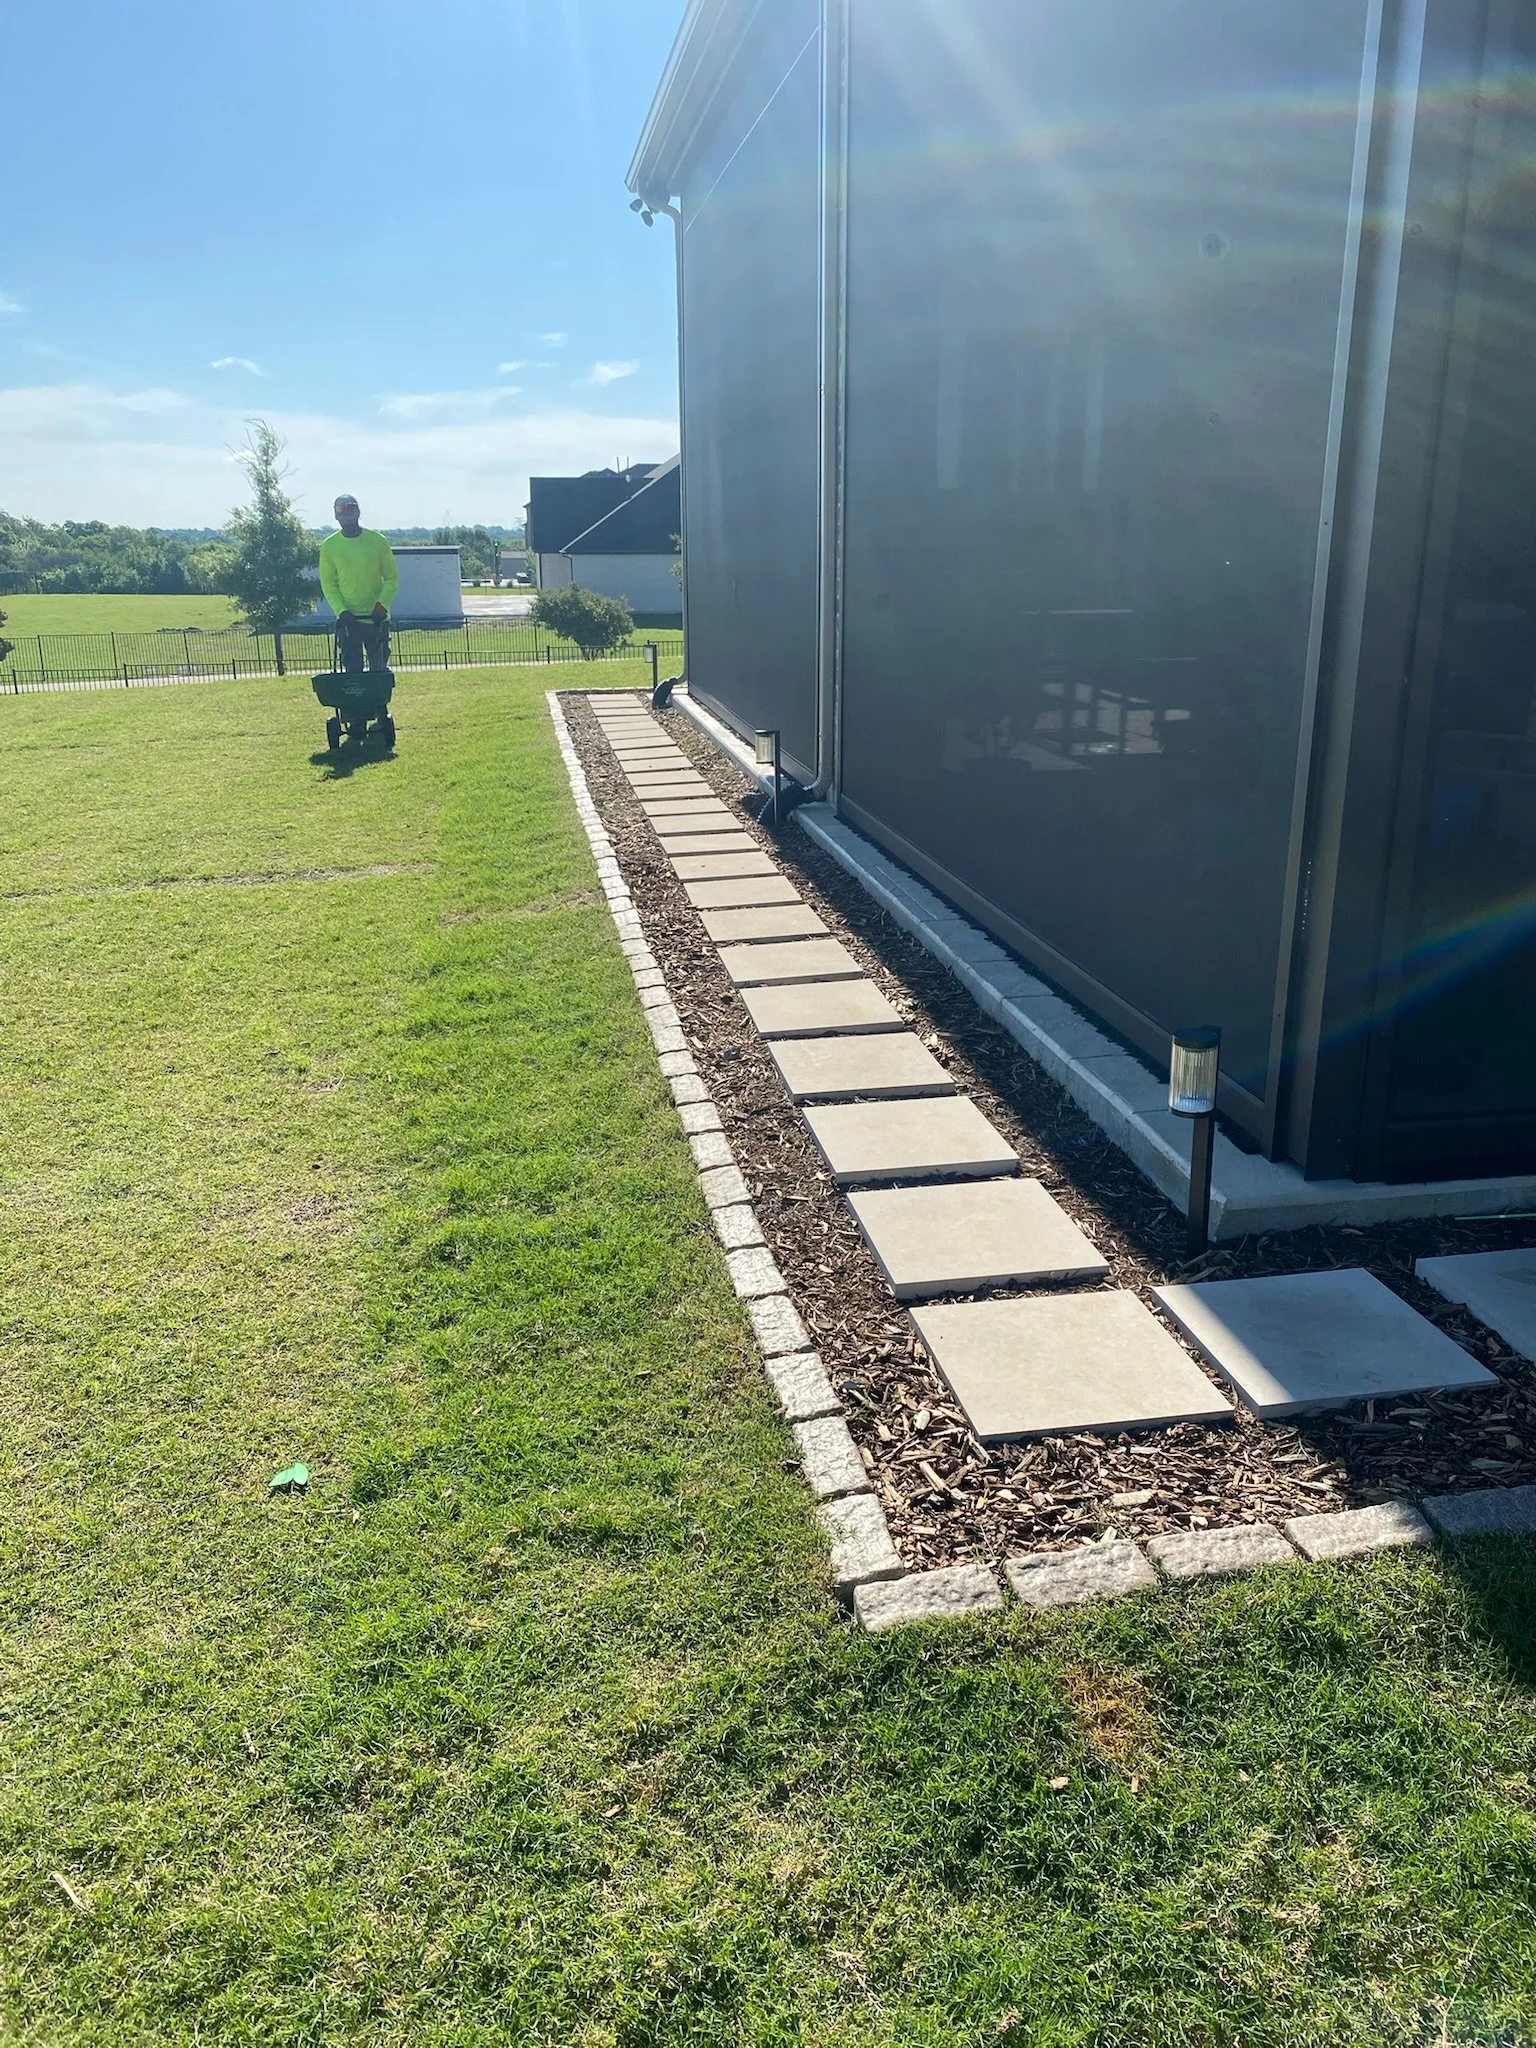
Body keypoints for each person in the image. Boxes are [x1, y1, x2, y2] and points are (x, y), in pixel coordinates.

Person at [318, 495, 398, 673]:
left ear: (358, 513)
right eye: (342, 514)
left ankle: (378, 701)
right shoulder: (330, 546)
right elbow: (329, 584)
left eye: (351, 512)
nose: (347, 518)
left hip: (376, 619)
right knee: (353, 674)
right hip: (349, 621)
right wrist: (341, 611)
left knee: (379, 672)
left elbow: (391, 577)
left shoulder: (378, 541)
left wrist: (382, 605)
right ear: (336, 516)